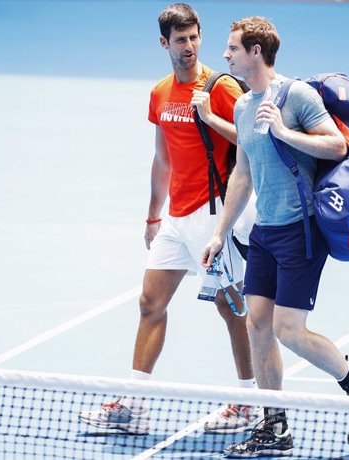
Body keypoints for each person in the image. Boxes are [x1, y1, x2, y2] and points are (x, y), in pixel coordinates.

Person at [201, 16, 349, 457]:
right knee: (257, 325)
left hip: (300, 232)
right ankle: (275, 426)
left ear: (256, 52)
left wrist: (284, 131)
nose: (225, 56)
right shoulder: (244, 106)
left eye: (233, 49)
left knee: (288, 330)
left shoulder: (296, 95)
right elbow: (242, 174)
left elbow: (335, 146)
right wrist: (220, 233)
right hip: (264, 231)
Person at [78, 3, 258, 435]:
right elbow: (162, 159)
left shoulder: (220, 87)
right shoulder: (160, 93)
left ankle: (249, 402)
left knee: (230, 308)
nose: (190, 46)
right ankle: (135, 405)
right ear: (165, 43)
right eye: (181, 40)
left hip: (214, 213)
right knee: (150, 303)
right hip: (176, 220)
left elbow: (254, 138)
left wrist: (210, 117)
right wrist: (152, 215)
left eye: (195, 37)